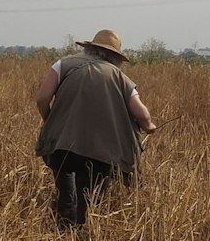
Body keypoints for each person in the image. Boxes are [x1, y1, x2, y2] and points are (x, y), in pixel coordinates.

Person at [33, 29, 157, 228]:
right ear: (116, 57)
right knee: (91, 199)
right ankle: (84, 232)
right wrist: (149, 127)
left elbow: (42, 99)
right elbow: (142, 114)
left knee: (64, 178)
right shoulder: (120, 78)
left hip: (62, 146)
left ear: (89, 48)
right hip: (100, 152)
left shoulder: (62, 65)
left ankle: (65, 217)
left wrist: (51, 121)